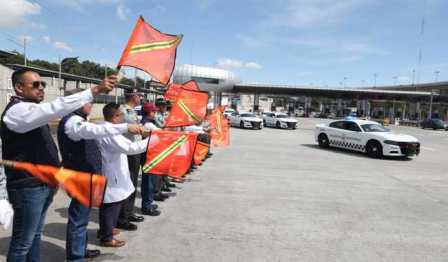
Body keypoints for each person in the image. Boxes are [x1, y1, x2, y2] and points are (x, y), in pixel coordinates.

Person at [1, 68, 116, 262]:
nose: (41, 88)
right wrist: (94, 90)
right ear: (19, 87)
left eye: (43, 84)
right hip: (28, 186)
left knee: (34, 236)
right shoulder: (17, 111)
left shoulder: (31, 110)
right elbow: (54, 107)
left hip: (42, 183)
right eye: (35, 84)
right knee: (23, 243)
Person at [57, 100, 143, 261]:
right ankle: (76, 256)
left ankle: (80, 250)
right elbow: (96, 130)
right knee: (79, 219)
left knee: (82, 219)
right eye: (89, 102)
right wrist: (126, 127)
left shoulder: (80, 120)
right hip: (81, 175)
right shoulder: (73, 121)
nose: (91, 105)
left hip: (87, 174)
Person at [97, 103, 150, 247]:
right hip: (111, 172)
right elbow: (130, 148)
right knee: (111, 204)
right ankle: (106, 237)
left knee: (113, 202)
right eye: (121, 115)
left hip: (115, 170)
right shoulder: (109, 131)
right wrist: (151, 141)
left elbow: (125, 143)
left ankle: (106, 229)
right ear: (115, 117)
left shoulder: (109, 128)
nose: (123, 118)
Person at [117, 89, 145, 230]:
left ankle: (129, 212)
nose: (140, 97)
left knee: (133, 182)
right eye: (139, 95)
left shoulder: (132, 111)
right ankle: (123, 217)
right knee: (128, 183)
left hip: (135, 150)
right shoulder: (123, 111)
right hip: (129, 151)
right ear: (133, 97)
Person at [140, 102, 161, 216]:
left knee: (150, 181)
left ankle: (149, 202)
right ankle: (146, 206)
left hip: (149, 154)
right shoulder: (148, 125)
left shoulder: (148, 123)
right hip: (148, 155)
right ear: (148, 112)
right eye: (153, 111)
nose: (155, 113)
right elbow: (161, 133)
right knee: (148, 182)